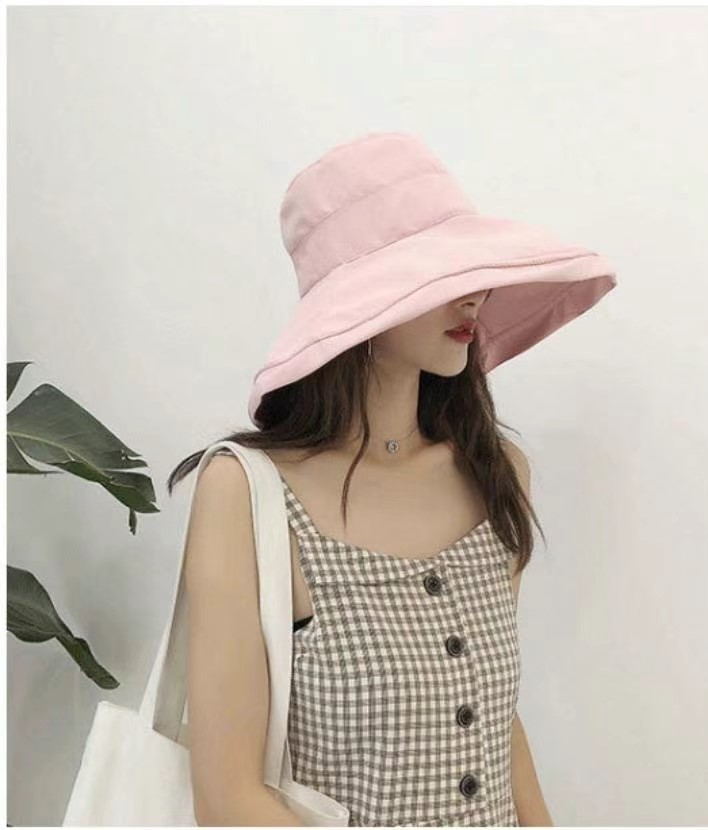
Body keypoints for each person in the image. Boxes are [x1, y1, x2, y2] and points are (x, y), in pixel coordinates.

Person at [167, 131, 617, 826]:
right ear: (357, 309)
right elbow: (228, 799)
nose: (473, 297)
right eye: (437, 278)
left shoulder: (496, 474)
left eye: (470, 272)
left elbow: (494, 724)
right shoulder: (246, 493)